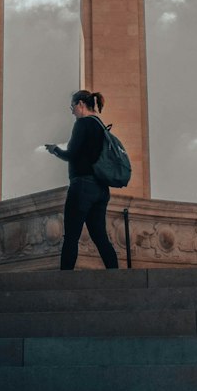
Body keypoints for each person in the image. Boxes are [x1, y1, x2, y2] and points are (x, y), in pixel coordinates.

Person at [45, 90, 119, 270]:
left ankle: (64, 283)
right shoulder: (101, 125)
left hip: (83, 187)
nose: (72, 111)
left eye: (72, 107)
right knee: (101, 237)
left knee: (71, 236)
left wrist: (55, 150)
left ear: (80, 104)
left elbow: (72, 155)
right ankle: (118, 278)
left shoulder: (82, 124)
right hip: (101, 189)